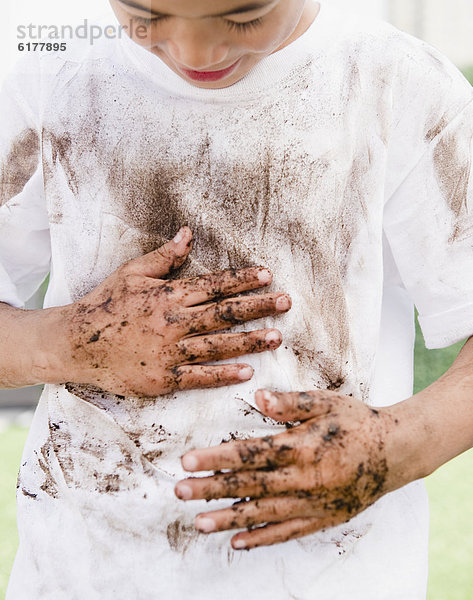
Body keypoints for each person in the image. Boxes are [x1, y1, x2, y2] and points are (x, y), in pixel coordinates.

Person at [1, 0, 473, 597]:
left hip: (330, 576)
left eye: (244, 17)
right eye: (146, 14)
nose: (196, 54)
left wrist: (402, 444)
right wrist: (66, 342)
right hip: (84, 572)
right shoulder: (52, 88)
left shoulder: (398, 85)